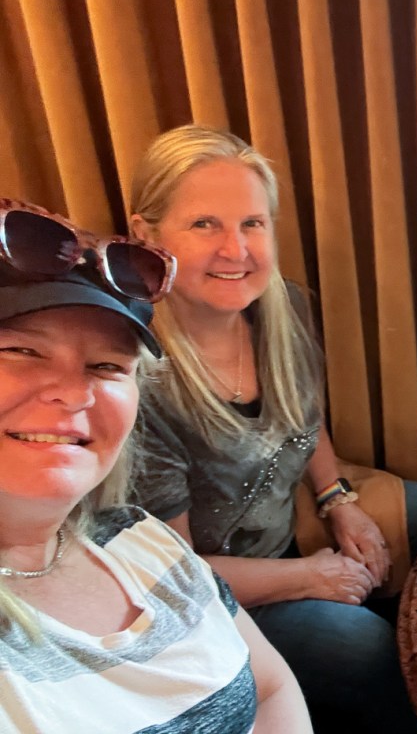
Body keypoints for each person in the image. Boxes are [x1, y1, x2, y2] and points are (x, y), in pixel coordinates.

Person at [127, 125, 417, 732]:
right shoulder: (140, 381)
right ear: (145, 235)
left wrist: (337, 499)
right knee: (368, 650)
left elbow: (304, 418)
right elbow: (178, 575)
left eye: (252, 223)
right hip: (215, 590)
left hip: (290, 517)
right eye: (204, 224)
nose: (236, 250)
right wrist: (310, 576)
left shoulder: (285, 306)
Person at [0, 198, 311, 733]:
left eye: (106, 365)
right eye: (21, 352)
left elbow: (271, 687)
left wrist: (337, 496)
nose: (75, 393)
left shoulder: (136, 535)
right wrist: (312, 576)